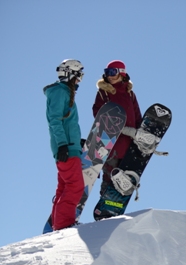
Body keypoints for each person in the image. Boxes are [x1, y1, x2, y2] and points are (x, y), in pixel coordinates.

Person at [44, 59, 85, 231]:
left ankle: (57, 224)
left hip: (69, 145)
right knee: (75, 185)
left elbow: (68, 123)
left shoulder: (64, 92)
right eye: (78, 76)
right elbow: (55, 120)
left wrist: (77, 141)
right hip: (66, 148)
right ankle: (63, 224)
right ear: (70, 74)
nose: (79, 81)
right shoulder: (60, 92)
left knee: (64, 187)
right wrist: (62, 144)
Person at [92, 60, 142, 196]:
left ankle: (118, 200)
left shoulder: (130, 94)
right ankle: (106, 197)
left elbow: (137, 116)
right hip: (111, 142)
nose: (109, 76)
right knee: (111, 172)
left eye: (112, 72)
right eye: (107, 72)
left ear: (122, 73)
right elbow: (98, 113)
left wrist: (140, 132)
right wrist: (120, 127)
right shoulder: (104, 93)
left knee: (125, 175)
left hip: (129, 143)